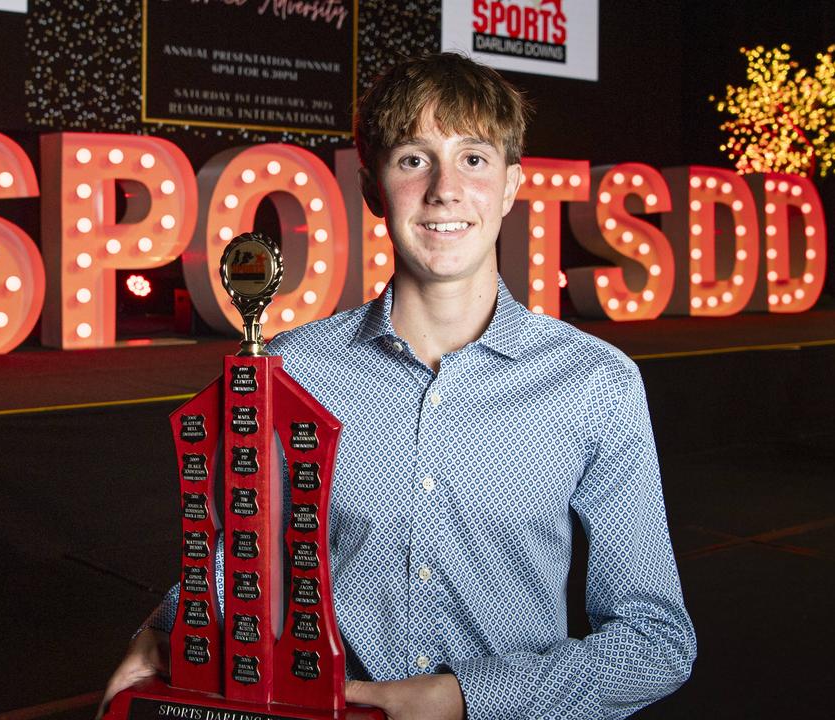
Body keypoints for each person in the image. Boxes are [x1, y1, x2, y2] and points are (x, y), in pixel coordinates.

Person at [100, 52, 695, 719]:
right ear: (374, 189)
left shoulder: (595, 384)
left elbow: (655, 643)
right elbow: (232, 554)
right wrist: (162, 632)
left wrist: (464, 697)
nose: (445, 189)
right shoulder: (292, 370)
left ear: (509, 187)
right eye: (415, 159)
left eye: (474, 159)